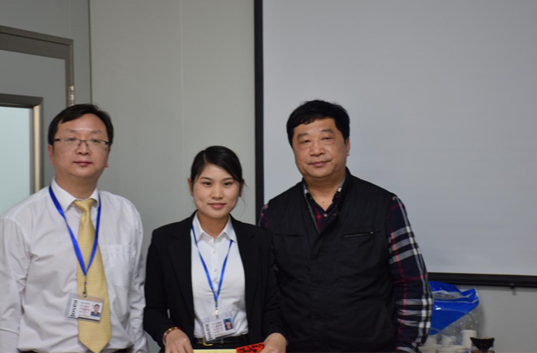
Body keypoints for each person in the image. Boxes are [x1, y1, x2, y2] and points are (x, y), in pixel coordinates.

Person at [260, 100, 432, 353]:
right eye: (305, 141)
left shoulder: (384, 205)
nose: (316, 150)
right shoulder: (274, 212)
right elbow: (267, 293)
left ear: (347, 145)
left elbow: (412, 287)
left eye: (326, 138)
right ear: (294, 151)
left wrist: (406, 348)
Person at [0, 104, 147, 353]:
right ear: (51, 152)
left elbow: (136, 299)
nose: (83, 149)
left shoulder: (126, 213)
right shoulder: (18, 221)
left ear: (107, 154)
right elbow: (4, 319)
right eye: (71, 139)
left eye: (95, 140)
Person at [144, 146, 286, 353]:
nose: (217, 194)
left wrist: (276, 336)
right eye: (207, 183)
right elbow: (152, 310)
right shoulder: (165, 240)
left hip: (246, 348)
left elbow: (272, 307)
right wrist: (169, 332)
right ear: (191, 185)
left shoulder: (258, 240)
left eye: (227, 184)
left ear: (240, 187)